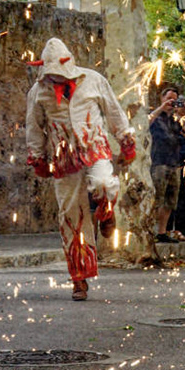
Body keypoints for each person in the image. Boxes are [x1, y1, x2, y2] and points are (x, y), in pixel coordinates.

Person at [25, 38, 134, 300]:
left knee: (104, 183)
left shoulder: (93, 80)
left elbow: (114, 111)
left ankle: (106, 213)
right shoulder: (37, 92)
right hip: (63, 158)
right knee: (71, 216)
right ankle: (79, 278)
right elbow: (34, 127)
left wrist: (125, 139)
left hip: (95, 147)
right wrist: (38, 157)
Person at [149, 86, 185, 243]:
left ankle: (162, 232)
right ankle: (149, 230)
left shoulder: (174, 120)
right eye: (169, 98)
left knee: (170, 201)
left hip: (174, 164)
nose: (171, 102)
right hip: (158, 163)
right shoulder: (156, 116)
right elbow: (146, 122)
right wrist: (162, 107)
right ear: (162, 98)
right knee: (156, 199)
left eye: (174, 99)